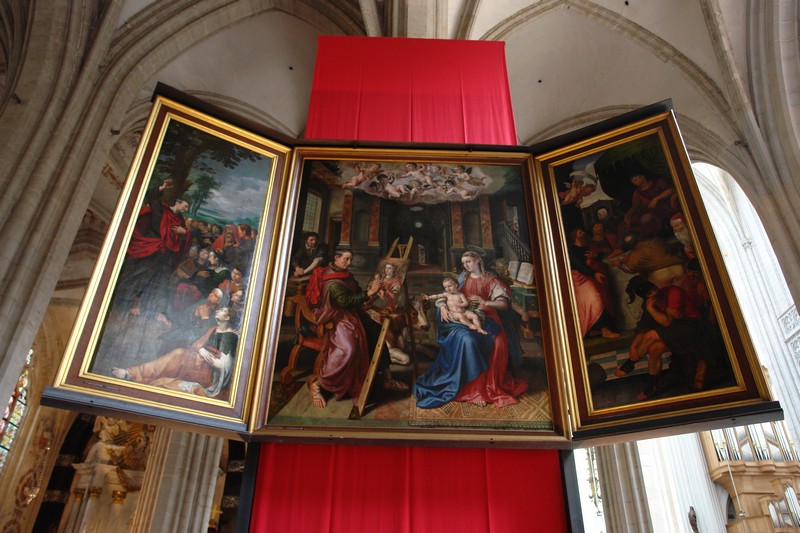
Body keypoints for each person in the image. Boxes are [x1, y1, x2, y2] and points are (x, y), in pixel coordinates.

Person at [414, 251, 528, 408]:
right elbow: (446, 294)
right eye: (464, 263)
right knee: (468, 340)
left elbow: (503, 304)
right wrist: (442, 306)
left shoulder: (491, 280)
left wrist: (485, 302)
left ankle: (488, 385)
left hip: (487, 318)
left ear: (477, 260)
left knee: (498, 342)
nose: (465, 265)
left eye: (468, 261)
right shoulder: (463, 278)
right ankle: (475, 390)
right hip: (462, 319)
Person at [306, 249, 408, 408]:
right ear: (336, 258)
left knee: (376, 332)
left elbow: (357, 291)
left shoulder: (344, 274)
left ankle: (387, 379)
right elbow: (345, 302)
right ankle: (318, 384)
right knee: (349, 349)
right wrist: (369, 293)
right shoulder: (331, 280)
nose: (349, 263)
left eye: (351, 259)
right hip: (338, 319)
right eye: (346, 259)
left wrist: (373, 291)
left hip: (353, 315)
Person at [613, 276, 724, 400]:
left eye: (654, 289)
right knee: (654, 349)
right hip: (674, 331)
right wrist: (633, 347)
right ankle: (652, 387)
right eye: (650, 293)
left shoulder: (672, 292)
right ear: (646, 297)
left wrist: (651, 309)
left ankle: (631, 363)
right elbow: (643, 328)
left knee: (651, 335)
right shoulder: (649, 303)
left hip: (693, 328)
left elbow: (667, 322)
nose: (654, 293)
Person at [111, 307, 238, 398]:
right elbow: (197, 345)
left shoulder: (229, 336)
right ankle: (132, 373)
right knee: (179, 353)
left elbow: (224, 366)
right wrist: (202, 350)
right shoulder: (214, 328)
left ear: (227, 318)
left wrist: (206, 357)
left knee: (164, 382)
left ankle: (135, 376)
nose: (218, 310)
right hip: (197, 362)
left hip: (208, 374)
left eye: (222, 310)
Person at [116, 178, 191, 319]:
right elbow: (152, 197)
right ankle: (121, 302)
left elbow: (179, 242)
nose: (186, 209)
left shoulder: (180, 222)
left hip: (163, 257)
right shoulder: (162, 211)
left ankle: (143, 309)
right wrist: (160, 188)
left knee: (153, 283)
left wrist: (185, 233)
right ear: (178, 202)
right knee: (136, 276)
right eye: (185, 206)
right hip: (148, 250)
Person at [568, 228, 619, 339]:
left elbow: (601, 258)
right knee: (596, 298)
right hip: (580, 280)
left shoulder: (588, 248)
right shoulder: (571, 251)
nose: (583, 233)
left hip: (592, 277)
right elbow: (579, 265)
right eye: (580, 232)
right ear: (574, 236)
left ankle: (599, 329)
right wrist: (594, 273)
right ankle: (604, 330)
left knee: (603, 299)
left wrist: (596, 256)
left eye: (583, 231)